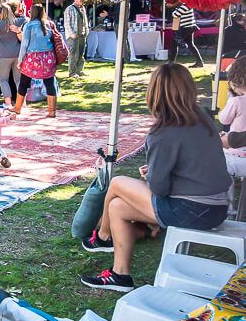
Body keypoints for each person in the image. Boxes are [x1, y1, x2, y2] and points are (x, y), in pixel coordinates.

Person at [80, 64, 230, 291]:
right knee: (118, 207)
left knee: (118, 183)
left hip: (192, 210)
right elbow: (194, 165)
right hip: (217, 207)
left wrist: (152, 174)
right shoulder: (202, 116)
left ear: (154, 93)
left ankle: (102, 236)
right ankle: (120, 275)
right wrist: (156, 170)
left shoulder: (164, 131)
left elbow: (159, 188)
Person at [13, 4, 59, 117]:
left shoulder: (29, 25)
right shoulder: (49, 24)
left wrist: (20, 60)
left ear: (32, 13)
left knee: (24, 81)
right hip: (48, 57)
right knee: (49, 82)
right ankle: (52, 111)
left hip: (33, 57)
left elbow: (24, 44)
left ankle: (18, 108)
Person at [219, 57, 246, 179]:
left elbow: (224, 119)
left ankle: (226, 197)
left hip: (236, 151)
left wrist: (230, 100)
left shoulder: (236, 101)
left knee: (220, 167)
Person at [168, 1, 204, 68]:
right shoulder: (187, 4)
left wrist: (173, 6)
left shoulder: (186, 5)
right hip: (189, 27)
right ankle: (199, 62)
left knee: (174, 43)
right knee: (191, 45)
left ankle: (171, 62)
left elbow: (175, 15)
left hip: (186, 28)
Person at [63, 0, 89, 78]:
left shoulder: (83, 8)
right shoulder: (69, 9)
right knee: (73, 54)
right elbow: (67, 23)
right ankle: (72, 72)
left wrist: (86, 31)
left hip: (82, 34)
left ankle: (80, 70)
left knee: (81, 54)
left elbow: (85, 21)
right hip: (73, 35)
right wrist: (71, 33)